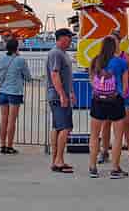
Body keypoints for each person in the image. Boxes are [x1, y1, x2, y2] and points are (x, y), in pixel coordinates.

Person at [88, 36, 129, 179]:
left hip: (98, 101)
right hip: (115, 101)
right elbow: (125, 86)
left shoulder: (95, 60)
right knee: (117, 137)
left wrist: (100, 91)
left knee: (94, 135)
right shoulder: (121, 62)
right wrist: (122, 95)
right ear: (114, 47)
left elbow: (92, 81)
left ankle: (93, 167)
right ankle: (115, 169)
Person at [98, 30, 129, 167]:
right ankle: (105, 151)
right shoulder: (105, 56)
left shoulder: (125, 56)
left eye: (114, 40)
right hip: (108, 95)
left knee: (127, 124)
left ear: (119, 41)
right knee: (106, 123)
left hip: (124, 95)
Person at [0, 39, 32, 155]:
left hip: (2, 92)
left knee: (3, 119)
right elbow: (28, 77)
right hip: (15, 92)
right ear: (17, 48)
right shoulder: (20, 60)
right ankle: (9, 146)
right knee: (11, 120)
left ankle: (2, 145)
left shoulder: (1, 58)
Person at [46, 28, 76, 173]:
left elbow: (65, 76)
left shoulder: (62, 53)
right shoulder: (56, 53)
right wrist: (62, 95)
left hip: (60, 95)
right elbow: (55, 74)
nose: (71, 40)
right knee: (65, 127)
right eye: (69, 37)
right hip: (58, 96)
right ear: (62, 38)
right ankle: (58, 161)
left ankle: (56, 160)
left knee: (58, 127)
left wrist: (70, 92)